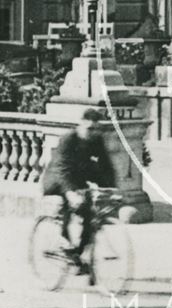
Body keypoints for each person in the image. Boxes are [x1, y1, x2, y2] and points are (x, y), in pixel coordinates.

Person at [41, 108, 116, 273]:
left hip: (78, 179)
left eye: (96, 129)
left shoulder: (96, 140)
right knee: (70, 205)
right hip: (57, 180)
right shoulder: (69, 139)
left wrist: (113, 189)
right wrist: (69, 192)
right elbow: (62, 167)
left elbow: (106, 166)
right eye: (89, 129)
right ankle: (62, 240)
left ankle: (77, 255)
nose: (92, 133)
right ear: (80, 125)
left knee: (89, 214)